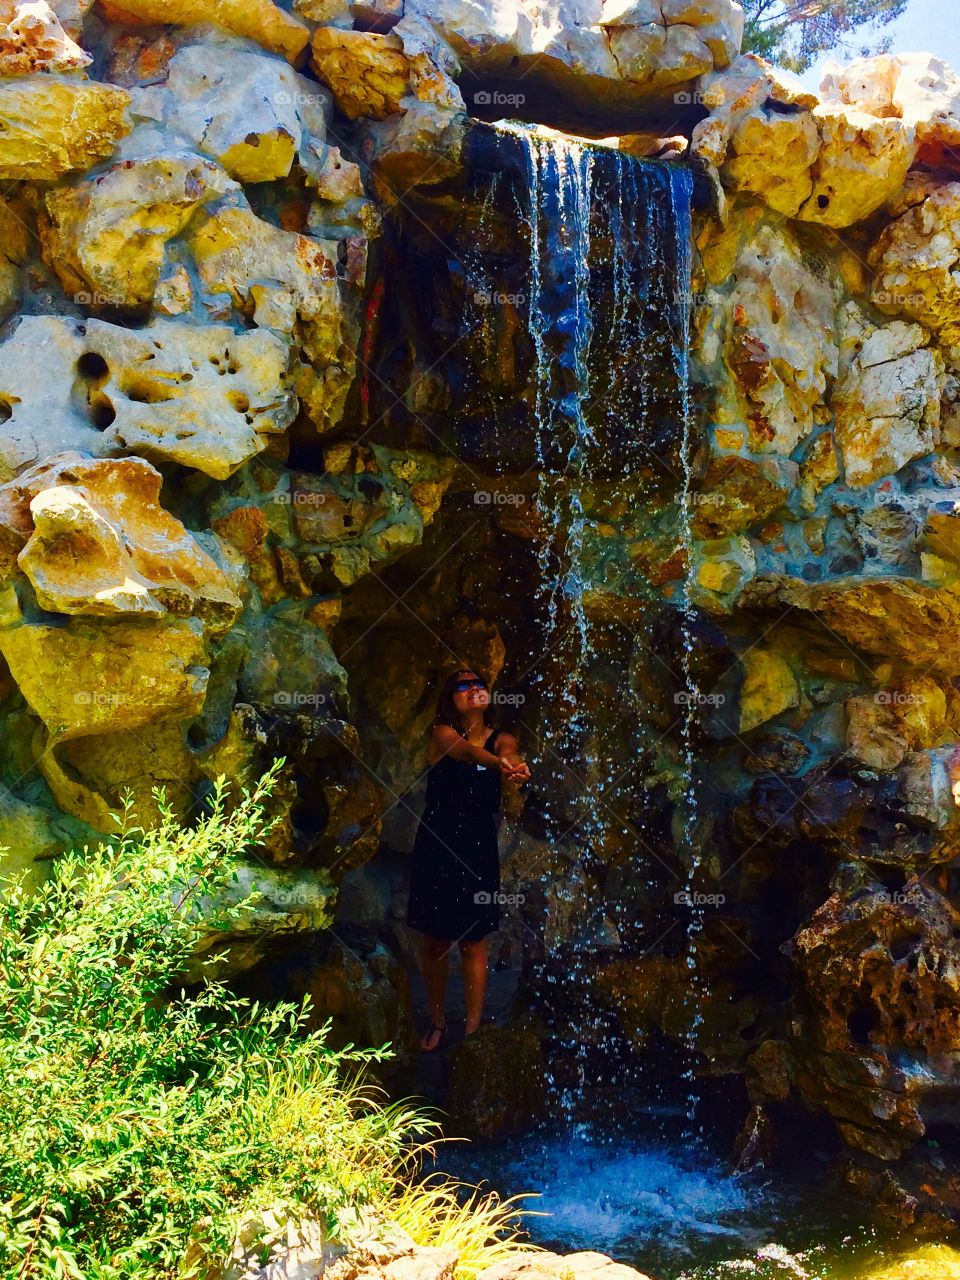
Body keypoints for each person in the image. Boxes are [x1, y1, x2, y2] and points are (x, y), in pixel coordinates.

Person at [406, 667, 531, 1052]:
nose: (474, 689)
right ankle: (439, 1019)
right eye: (464, 685)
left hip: (477, 842)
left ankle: (473, 1031)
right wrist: (499, 766)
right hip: (438, 837)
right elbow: (465, 752)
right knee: (435, 937)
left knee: (473, 941)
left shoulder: (501, 739)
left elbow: (507, 750)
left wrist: (513, 762)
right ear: (451, 697)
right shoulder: (440, 733)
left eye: (479, 684)